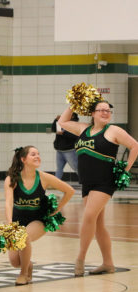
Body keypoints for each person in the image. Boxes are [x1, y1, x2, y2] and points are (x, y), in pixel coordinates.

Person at [58, 101, 138, 276]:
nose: (105, 113)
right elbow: (62, 122)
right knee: (99, 224)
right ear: (92, 113)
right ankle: (108, 264)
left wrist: (125, 169)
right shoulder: (82, 129)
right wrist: (74, 103)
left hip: (104, 182)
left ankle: (80, 258)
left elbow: (134, 146)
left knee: (88, 216)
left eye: (108, 110)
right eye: (101, 110)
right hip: (87, 182)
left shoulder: (113, 131)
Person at [4, 146, 75, 285]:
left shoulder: (44, 177)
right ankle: (27, 264)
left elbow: (70, 191)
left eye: (38, 154)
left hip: (39, 220)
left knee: (24, 237)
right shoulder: (12, 179)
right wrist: (10, 223)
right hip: (18, 221)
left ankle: (23, 274)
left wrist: (56, 210)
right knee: (14, 261)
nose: (37, 156)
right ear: (23, 159)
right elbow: (8, 203)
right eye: (33, 154)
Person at [51, 113, 78, 179]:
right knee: (59, 168)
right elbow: (54, 129)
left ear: (72, 116)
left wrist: (64, 133)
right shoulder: (62, 122)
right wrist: (56, 120)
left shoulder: (75, 125)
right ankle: (56, 184)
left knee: (76, 168)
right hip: (59, 150)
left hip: (70, 151)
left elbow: (75, 136)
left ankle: (86, 182)